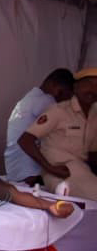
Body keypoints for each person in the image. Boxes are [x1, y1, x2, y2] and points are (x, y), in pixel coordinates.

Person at [18, 68, 97, 200]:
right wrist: (49, 168)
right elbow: (25, 140)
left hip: (82, 170)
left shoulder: (95, 115)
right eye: (88, 84)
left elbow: (93, 154)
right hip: (60, 172)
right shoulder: (59, 111)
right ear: (75, 87)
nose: (93, 90)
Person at [4, 68, 73, 183]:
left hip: (14, 170)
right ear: (52, 84)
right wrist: (51, 168)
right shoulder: (46, 100)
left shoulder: (29, 99)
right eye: (61, 93)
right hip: (31, 171)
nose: (59, 99)